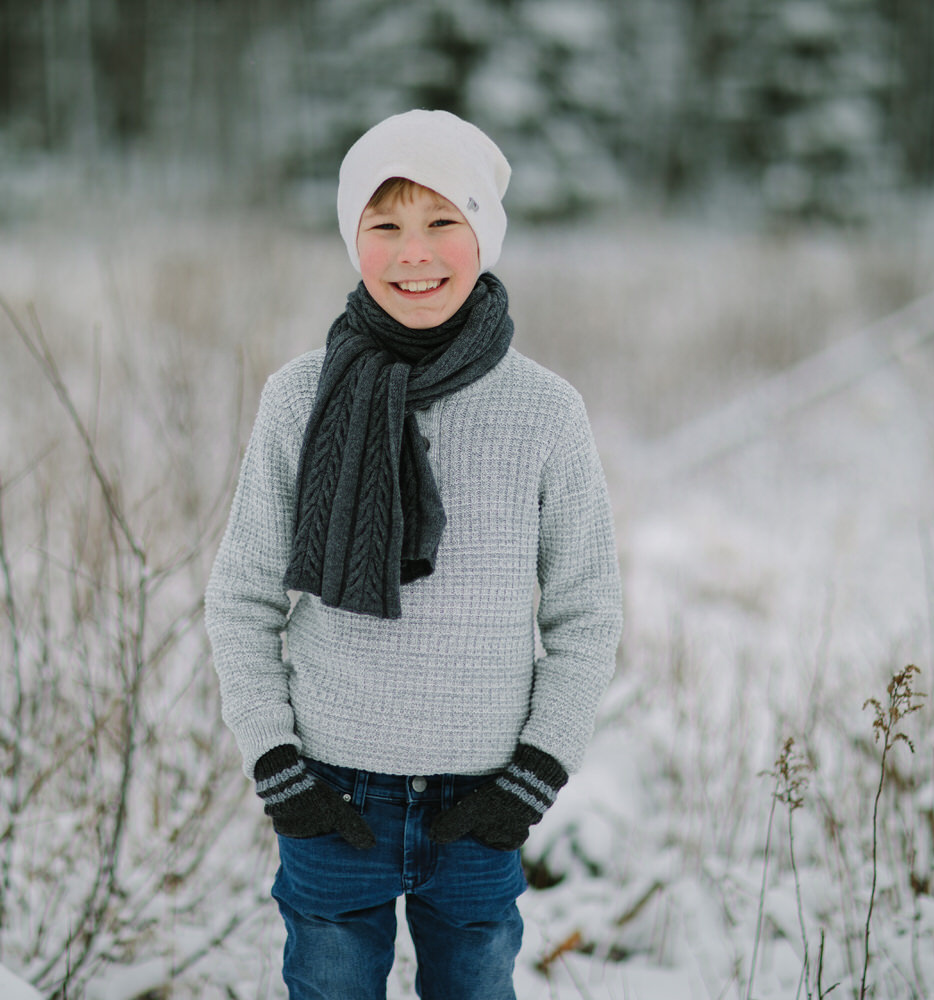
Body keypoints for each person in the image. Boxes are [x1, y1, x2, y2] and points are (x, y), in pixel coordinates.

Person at [205, 108, 622, 999]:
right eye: (385, 225)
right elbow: (241, 598)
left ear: (486, 236)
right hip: (329, 795)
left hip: (483, 803)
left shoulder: (545, 412)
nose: (414, 252)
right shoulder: (298, 399)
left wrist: (533, 777)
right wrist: (277, 766)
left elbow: (586, 616)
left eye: (444, 223)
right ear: (353, 238)